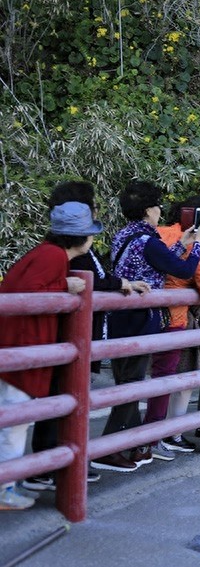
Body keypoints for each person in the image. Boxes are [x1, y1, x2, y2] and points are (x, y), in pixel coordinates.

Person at [23, 182, 150, 493]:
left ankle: (58, 461)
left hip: (77, 332)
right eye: (91, 208)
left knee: (64, 398)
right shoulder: (57, 254)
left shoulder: (65, 251)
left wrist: (121, 283)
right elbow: (36, 290)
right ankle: (49, 464)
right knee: (61, 398)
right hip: (67, 335)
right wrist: (120, 283)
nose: (96, 213)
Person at [92, 182, 200, 473]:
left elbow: (163, 258)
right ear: (148, 210)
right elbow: (182, 270)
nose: (160, 211)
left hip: (119, 315)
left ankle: (126, 444)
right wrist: (199, 243)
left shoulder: (126, 235)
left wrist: (184, 242)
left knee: (128, 380)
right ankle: (109, 449)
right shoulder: (148, 241)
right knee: (131, 384)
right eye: (157, 206)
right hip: (139, 317)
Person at [0, 202, 98, 509]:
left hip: (19, 345)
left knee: (13, 420)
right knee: (14, 423)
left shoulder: (46, 252)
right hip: (23, 348)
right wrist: (64, 286)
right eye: (91, 234)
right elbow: (29, 292)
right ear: (80, 237)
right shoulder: (53, 256)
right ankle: (4, 489)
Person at [144, 196, 200, 460]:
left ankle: (130, 438)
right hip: (173, 318)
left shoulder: (157, 233)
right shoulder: (195, 245)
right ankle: (152, 438)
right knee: (164, 378)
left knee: (132, 380)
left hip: (142, 313)